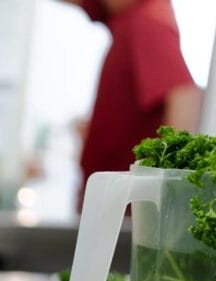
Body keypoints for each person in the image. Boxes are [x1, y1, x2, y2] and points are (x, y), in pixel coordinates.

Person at [72, 0, 201, 183]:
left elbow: (185, 96)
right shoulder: (125, 18)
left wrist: (171, 190)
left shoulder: (146, 19)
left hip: (127, 204)